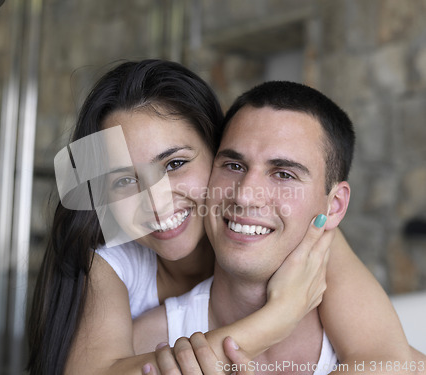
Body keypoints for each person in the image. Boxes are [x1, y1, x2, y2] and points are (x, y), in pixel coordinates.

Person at [26, 60, 413, 375]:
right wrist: (277, 318)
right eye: (125, 180)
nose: (157, 202)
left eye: (175, 163)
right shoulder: (110, 262)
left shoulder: (307, 234)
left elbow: (394, 361)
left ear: (216, 153)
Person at [134, 81, 421, 375]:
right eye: (234, 165)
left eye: (283, 174)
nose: (245, 196)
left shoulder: (385, 356)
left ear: (333, 206)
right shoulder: (147, 345)